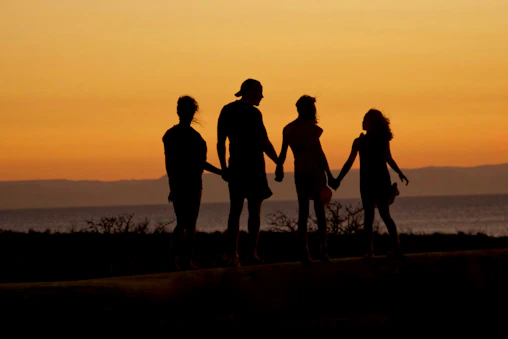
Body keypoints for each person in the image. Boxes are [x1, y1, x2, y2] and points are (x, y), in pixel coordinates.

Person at [332, 109, 409, 260]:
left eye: (364, 119)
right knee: (380, 216)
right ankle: (387, 249)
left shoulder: (365, 141)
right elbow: (388, 159)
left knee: (373, 216)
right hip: (374, 180)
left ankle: (375, 250)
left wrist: (399, 172)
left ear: (371, 123)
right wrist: (338, 179)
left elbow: (387, 158)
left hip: (372, 181)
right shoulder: (365, 141)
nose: (362, 122)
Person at [217, 79, 278, 266]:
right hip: (254, 167)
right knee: (254, 212)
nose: (262, 96)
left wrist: (224, 168)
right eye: (260, 92)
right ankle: (251, 253)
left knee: (235, 211)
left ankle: (233, 255)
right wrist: (278, 161)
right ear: (251, 92)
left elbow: (221, 142)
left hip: (235, 165)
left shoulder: (227, 110)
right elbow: (264, 141)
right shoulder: (254, 113)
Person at [162, 96, 221, 270]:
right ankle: (181, 260)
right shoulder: (187, 137)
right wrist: (221, 172)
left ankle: (182, 260)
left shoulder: (178, 136)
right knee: (187, 223)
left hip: (189, 183)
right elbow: (173, 164)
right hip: (188, 184)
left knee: (185, 223)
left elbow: (172, 164)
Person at [275, 95, 334, 264]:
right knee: (319, 213)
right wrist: (329, 174)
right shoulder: (312, 128)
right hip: (314, 172)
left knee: (304, 212)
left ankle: (305, 252)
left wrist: (279, 168)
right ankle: (322, 251)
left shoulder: (289, 129)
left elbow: (283, 153)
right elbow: (319, 154)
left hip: (300, 172)